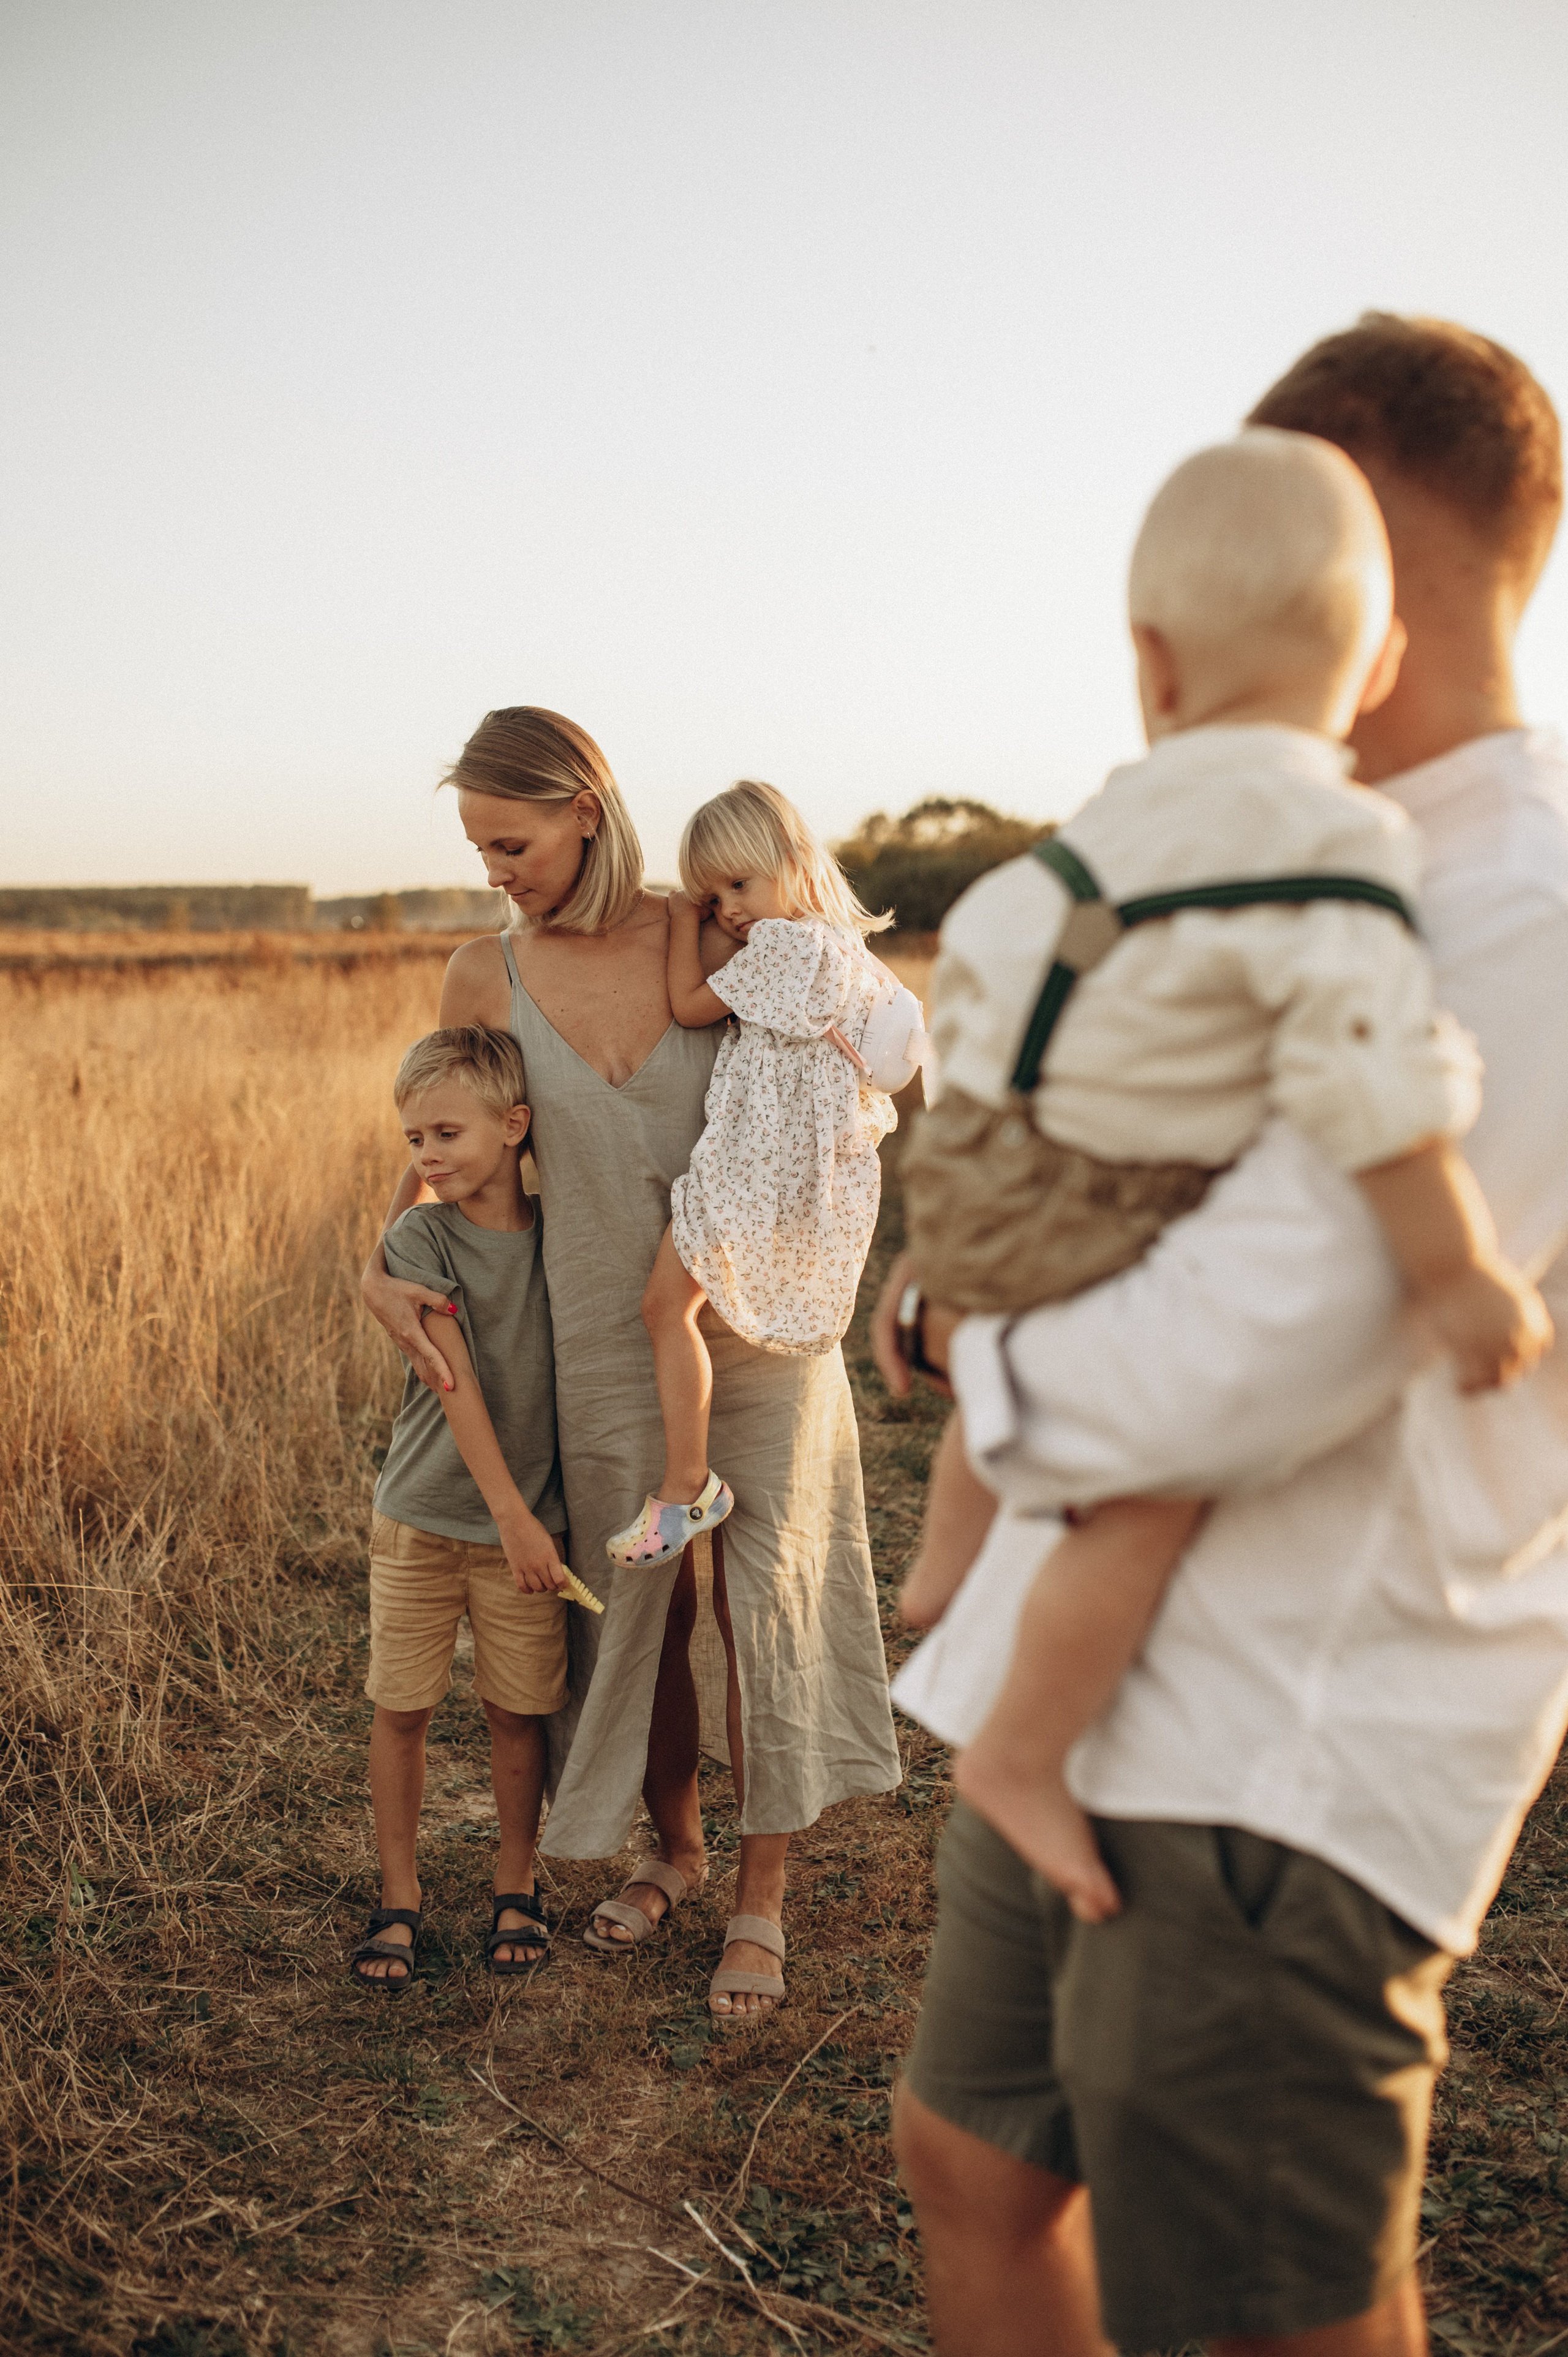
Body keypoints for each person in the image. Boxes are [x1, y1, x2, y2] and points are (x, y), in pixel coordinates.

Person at [877, 315, 1568, 2356]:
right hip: (1101, 1688)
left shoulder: (1508, 913)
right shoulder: (1264, 861)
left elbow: (1251, 1353)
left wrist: (973, 1350)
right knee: (975, 2163)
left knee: (1258, 2312)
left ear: (1355, 569)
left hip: (1279, 1744)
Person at [895, 429, 1546, 1923]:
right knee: (1149, 1489)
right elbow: (1371, 1082)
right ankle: (1022, 1749)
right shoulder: (1336, 840)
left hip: (984, 1162)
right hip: (1110, 1192)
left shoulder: (1096, 831)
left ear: (1150, 660)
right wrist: (1448, 1268)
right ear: (1374, 664)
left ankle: (944, 1559)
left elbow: (987, 971)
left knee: (1007, 1318)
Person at [361, 709, 901, 2026]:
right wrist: (384, 1260)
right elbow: (453, 1149)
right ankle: (673, 1847)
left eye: (511, 840)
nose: (496, 867)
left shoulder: (704, 928)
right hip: (596, 1326)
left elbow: (849, 1018)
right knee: (642, 1603)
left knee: (760, 1593)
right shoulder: (481, 975)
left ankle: (760, 1896)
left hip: (761, 1311)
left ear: (583, 810)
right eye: (480, 847)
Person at [606, 779, 899, 1570]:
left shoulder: (784, 948)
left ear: (793, 864)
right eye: (710, 897)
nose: (727, 910)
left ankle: (687, 1487)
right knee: (676, 1307)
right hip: (786, 1176)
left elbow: (688, 1004)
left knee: (664, 1307)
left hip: (746, 1170)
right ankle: (688, 1483)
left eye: (739, 885)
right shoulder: (844, 951)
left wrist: (677, 922)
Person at [350, 1025, 573, 1990]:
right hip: (428, 1518)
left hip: (528, 1530)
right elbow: (455, 1383)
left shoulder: (565, 1232)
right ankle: (398, 1899)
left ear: (515, 1126)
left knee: (516, 1712)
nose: (427, 1157)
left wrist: (530, 1524)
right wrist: (514, 1517)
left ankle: (514, 1884)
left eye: (446, 1134)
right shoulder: (419, 1236)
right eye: (413, 1141)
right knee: (403, 1707)